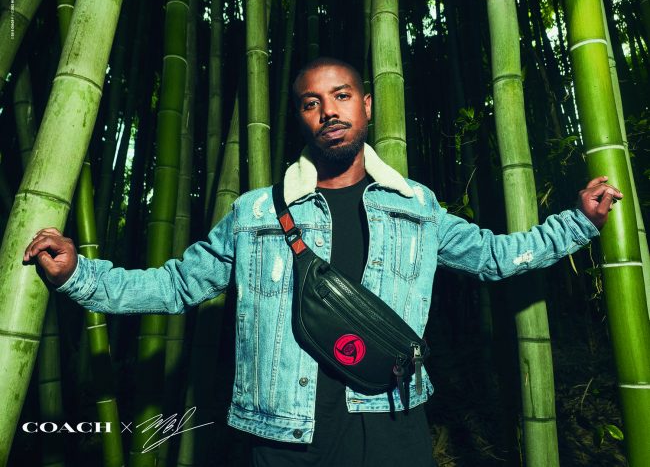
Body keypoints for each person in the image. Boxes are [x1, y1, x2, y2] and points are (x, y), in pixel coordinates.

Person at [24, 57, 622, 467]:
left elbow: (494, 256)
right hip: (284, 430)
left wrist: (578, 222)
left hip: (390, 419)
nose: (329, 111)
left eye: (341, 96)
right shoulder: (257, 211)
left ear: (367, 105)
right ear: (301, 118)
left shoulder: (416, 206)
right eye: (312, 103)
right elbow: (178, 284)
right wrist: (79, 274)